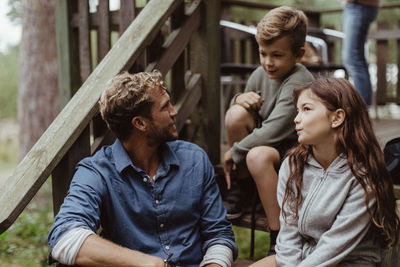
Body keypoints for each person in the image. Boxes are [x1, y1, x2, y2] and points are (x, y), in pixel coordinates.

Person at [47, 70, 238, 267]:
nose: (174, 112)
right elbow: (64, 237)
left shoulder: (194, 159)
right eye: (165, 107)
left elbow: (219, 234)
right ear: (140, 123)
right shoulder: (97, 171)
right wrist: (150, 264)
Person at [250, 78, 400, 267]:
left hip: (347, 262)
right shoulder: (292, 165)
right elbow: (289, 231)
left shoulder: (362, 177)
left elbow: (335, 245)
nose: (296, 118)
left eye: (306, 109)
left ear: (336, 118)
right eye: (297, 110)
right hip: (301, 258)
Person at [222, 5, 314, 254]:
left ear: (298, 54)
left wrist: (235, 151)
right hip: (272, 142)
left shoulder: (299, 81)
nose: (268, 62)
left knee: (257, 155)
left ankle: (279, 235)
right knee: (235, 115)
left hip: (297, 145)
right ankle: (245, 187)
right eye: (263, 53)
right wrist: (240, 99)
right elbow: (244, 113)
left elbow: (276, 128)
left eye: (277, 55)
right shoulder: (260, 73)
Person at [342, 0, 380, 106]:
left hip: (358, 6)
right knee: (357, 59)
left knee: (352, 59)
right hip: (356, 7)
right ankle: (364, 108)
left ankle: (362, 109)